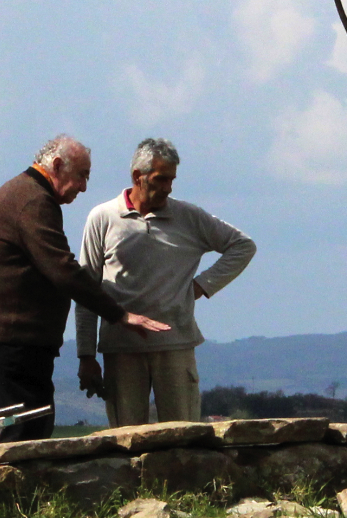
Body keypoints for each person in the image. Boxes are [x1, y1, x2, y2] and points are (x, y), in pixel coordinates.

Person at [0, 134, 170, 441]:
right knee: (24, 433)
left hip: (6, 335)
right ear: (58, 166)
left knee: (20, 426)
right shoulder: (34, 200)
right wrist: (119, 314)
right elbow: (63, 270)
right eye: (81, 176)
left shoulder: (22, 193)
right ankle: (22, 489)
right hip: (13, 338)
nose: (84, 187)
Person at [76, 138, 256, 427]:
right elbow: (85, 290)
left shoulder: (188, 217)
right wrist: (85, 355)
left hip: (175, 345)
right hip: (121, 350)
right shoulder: (103, 218)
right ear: (138, 176)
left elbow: (243, 246)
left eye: (171, 179)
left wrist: (201, 286)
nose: (168, 187)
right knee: (126, 441)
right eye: (161, 179)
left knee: (184, 438)